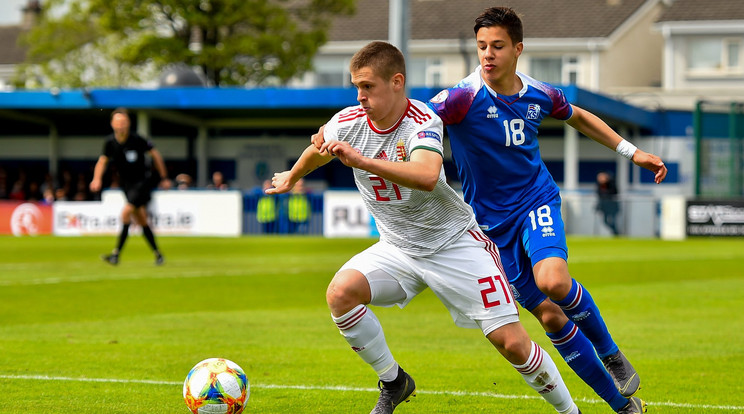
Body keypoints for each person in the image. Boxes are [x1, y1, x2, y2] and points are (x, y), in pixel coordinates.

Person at [271, 41, 580, 414]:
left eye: (368, 86)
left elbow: (427, 175)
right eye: (356, 86)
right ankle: (394, 381)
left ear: (397, 81)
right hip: (399, 248)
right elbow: (320, 150)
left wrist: (362, 160)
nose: (360, 96)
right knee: (341, 294)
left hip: (455, 244)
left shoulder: (422, 121)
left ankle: (570, 411)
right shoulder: (347, 122)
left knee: (512, 343)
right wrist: (292, 175)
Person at [90, 107, 171, 266]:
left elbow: (155, 154)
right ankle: (158, 254)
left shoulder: (138, 139)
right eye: (118, 122)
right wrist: (96, 178)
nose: (121, 125)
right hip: (126, 185)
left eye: (124, 122)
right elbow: (102, 161)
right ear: (112, 124)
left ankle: (116, 254)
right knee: (141, 219)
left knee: (126, 213)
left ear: (128, 124)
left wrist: (164, 177)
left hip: (142, 183)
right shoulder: (110, 143)